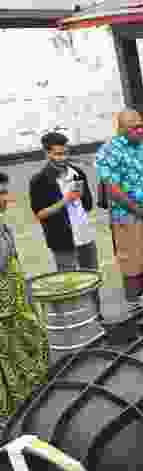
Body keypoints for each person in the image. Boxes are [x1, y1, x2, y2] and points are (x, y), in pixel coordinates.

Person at [94, 109, 143, 309]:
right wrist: (140, 211)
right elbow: (112, 189)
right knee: (133, 261)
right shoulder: (109, 150)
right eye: (134, 127)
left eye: (141, 126)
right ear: (120, 129)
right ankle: (135, 305)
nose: (140, 130)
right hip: (129, 216)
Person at [0, 171, 49, 419]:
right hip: (4, 312)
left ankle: (30, 402)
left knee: (32, 343)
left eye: (5, 192)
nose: (5, 198)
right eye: (1, 193)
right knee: (11, 360)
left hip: (16, 301)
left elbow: (14, 263)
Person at [30, 132, 99, 272]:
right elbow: (40, 214)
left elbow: (87, 206)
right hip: (62, 242)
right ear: (47, 153)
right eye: (58, 154)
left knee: (93, 278)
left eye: (66, 153)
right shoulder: (39, 181)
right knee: (70, 283)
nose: (63, 158)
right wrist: (65, 200)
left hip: (85, 237)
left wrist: (82, 196)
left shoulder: (77, 172)